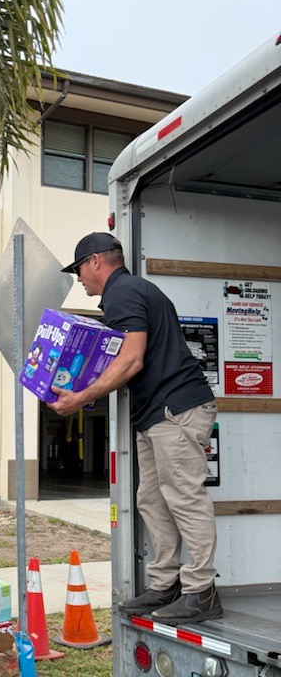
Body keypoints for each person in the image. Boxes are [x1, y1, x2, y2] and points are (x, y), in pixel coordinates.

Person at [53, 232, 221, 624]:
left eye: (79, 269)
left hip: (176, 408)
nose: (79, 278)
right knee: (152, 498)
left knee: (183, 495)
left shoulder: (123, 291)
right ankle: (166, 584)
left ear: (96, 261)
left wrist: (80, 398)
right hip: (155, 414)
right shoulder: (128, 293)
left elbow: (131, 360)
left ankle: (201, 590)